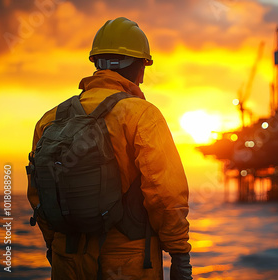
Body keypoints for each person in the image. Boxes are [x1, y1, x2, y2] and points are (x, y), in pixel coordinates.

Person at [27, 17, 192, 279]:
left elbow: (39, 195)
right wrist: (179, 253)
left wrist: (55, 246)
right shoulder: (141, 115)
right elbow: (164, 195)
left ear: (96, 63)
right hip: (126, 263)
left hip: (66, 260)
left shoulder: (51, 118)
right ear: (140, 66)